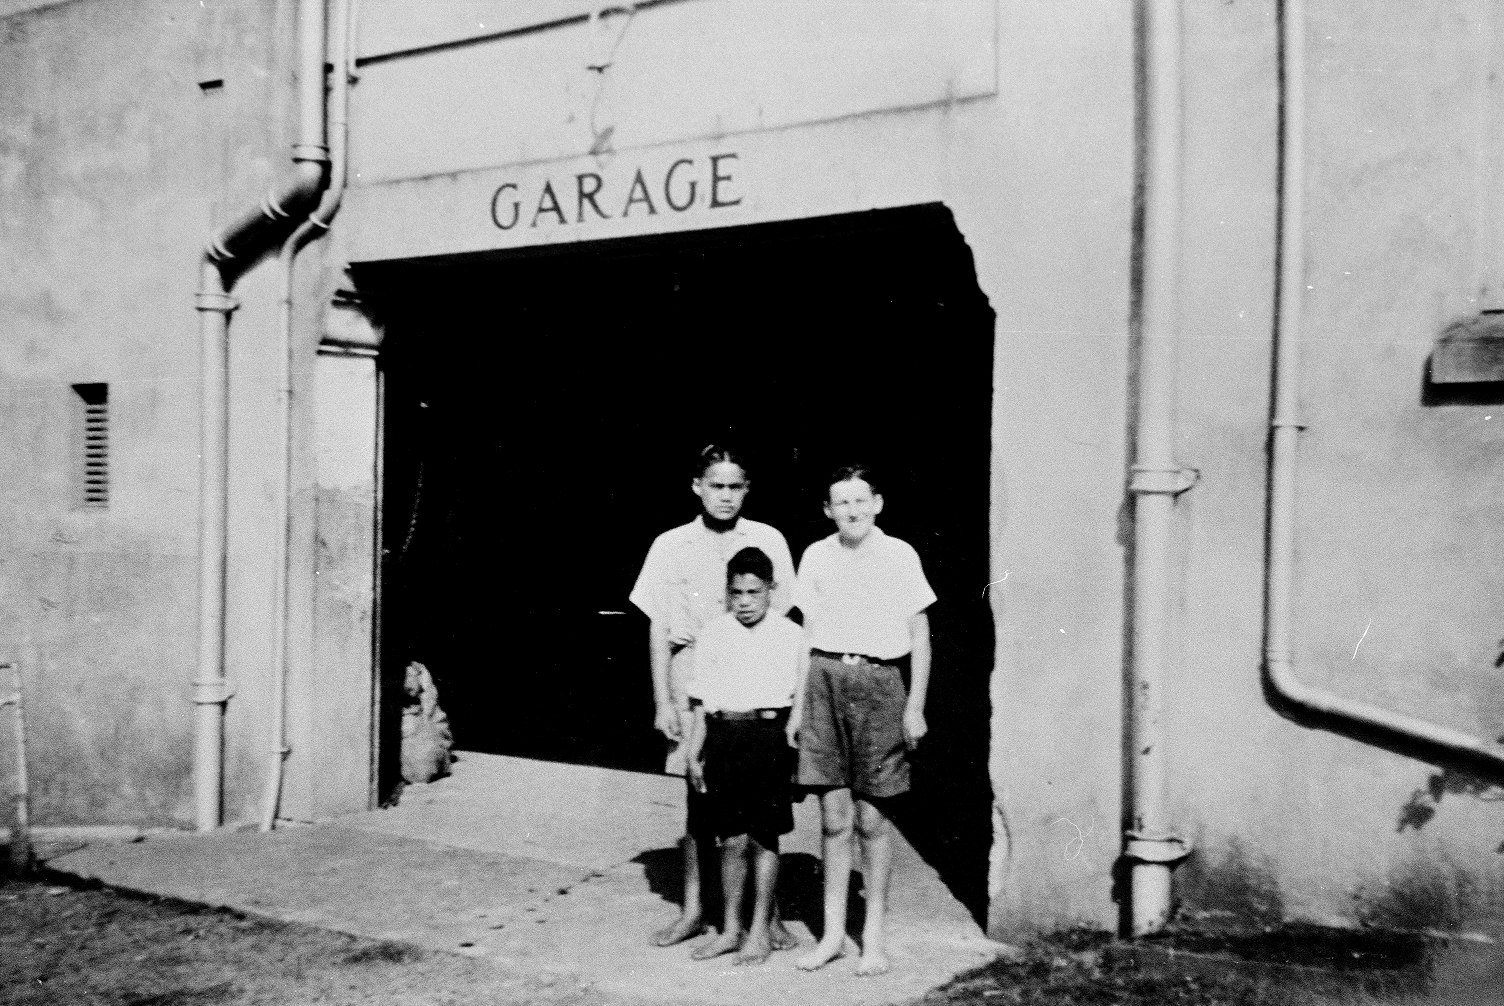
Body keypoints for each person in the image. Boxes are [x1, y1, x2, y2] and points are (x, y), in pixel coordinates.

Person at [628, 445, 796, 947]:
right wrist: (662, 700)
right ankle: (696, 909)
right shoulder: (670, 545)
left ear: (747, 490)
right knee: (697, 792)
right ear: (697, 486)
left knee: (763, 800)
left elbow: (784, 618)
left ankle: (769, 916)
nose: (725, 497)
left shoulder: (768, 539)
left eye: (735, 487)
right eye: (715, 486)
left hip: (754, 676)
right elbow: (659, 627)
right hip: (692, 670)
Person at [789, 464, 935, 976]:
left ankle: (872, 939)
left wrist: (914, 705)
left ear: (877, 502)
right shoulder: (817, 555)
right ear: (828, 510)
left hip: (881, 685)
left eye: (860, 500)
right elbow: (804, 635)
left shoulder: (899, 555)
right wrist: (796, 705)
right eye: (840, 503)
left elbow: (920, 633)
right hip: (825, 680)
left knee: (873, 819)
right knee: (832, 820)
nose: (851, 511)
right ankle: (831, 936)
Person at [683, 547, 803, 966]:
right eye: (737, 593)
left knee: (764, 836)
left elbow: (800, 698)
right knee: (730, 839)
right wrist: (693, 752)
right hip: (723, 739)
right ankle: (731, 929)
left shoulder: (790, 635)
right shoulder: (714, 633)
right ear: (727, 593)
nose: (746, 601)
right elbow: (700, 702)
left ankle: (760, 930)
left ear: (772, 590)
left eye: (754, 592)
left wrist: (792, 739)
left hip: (768, 737)